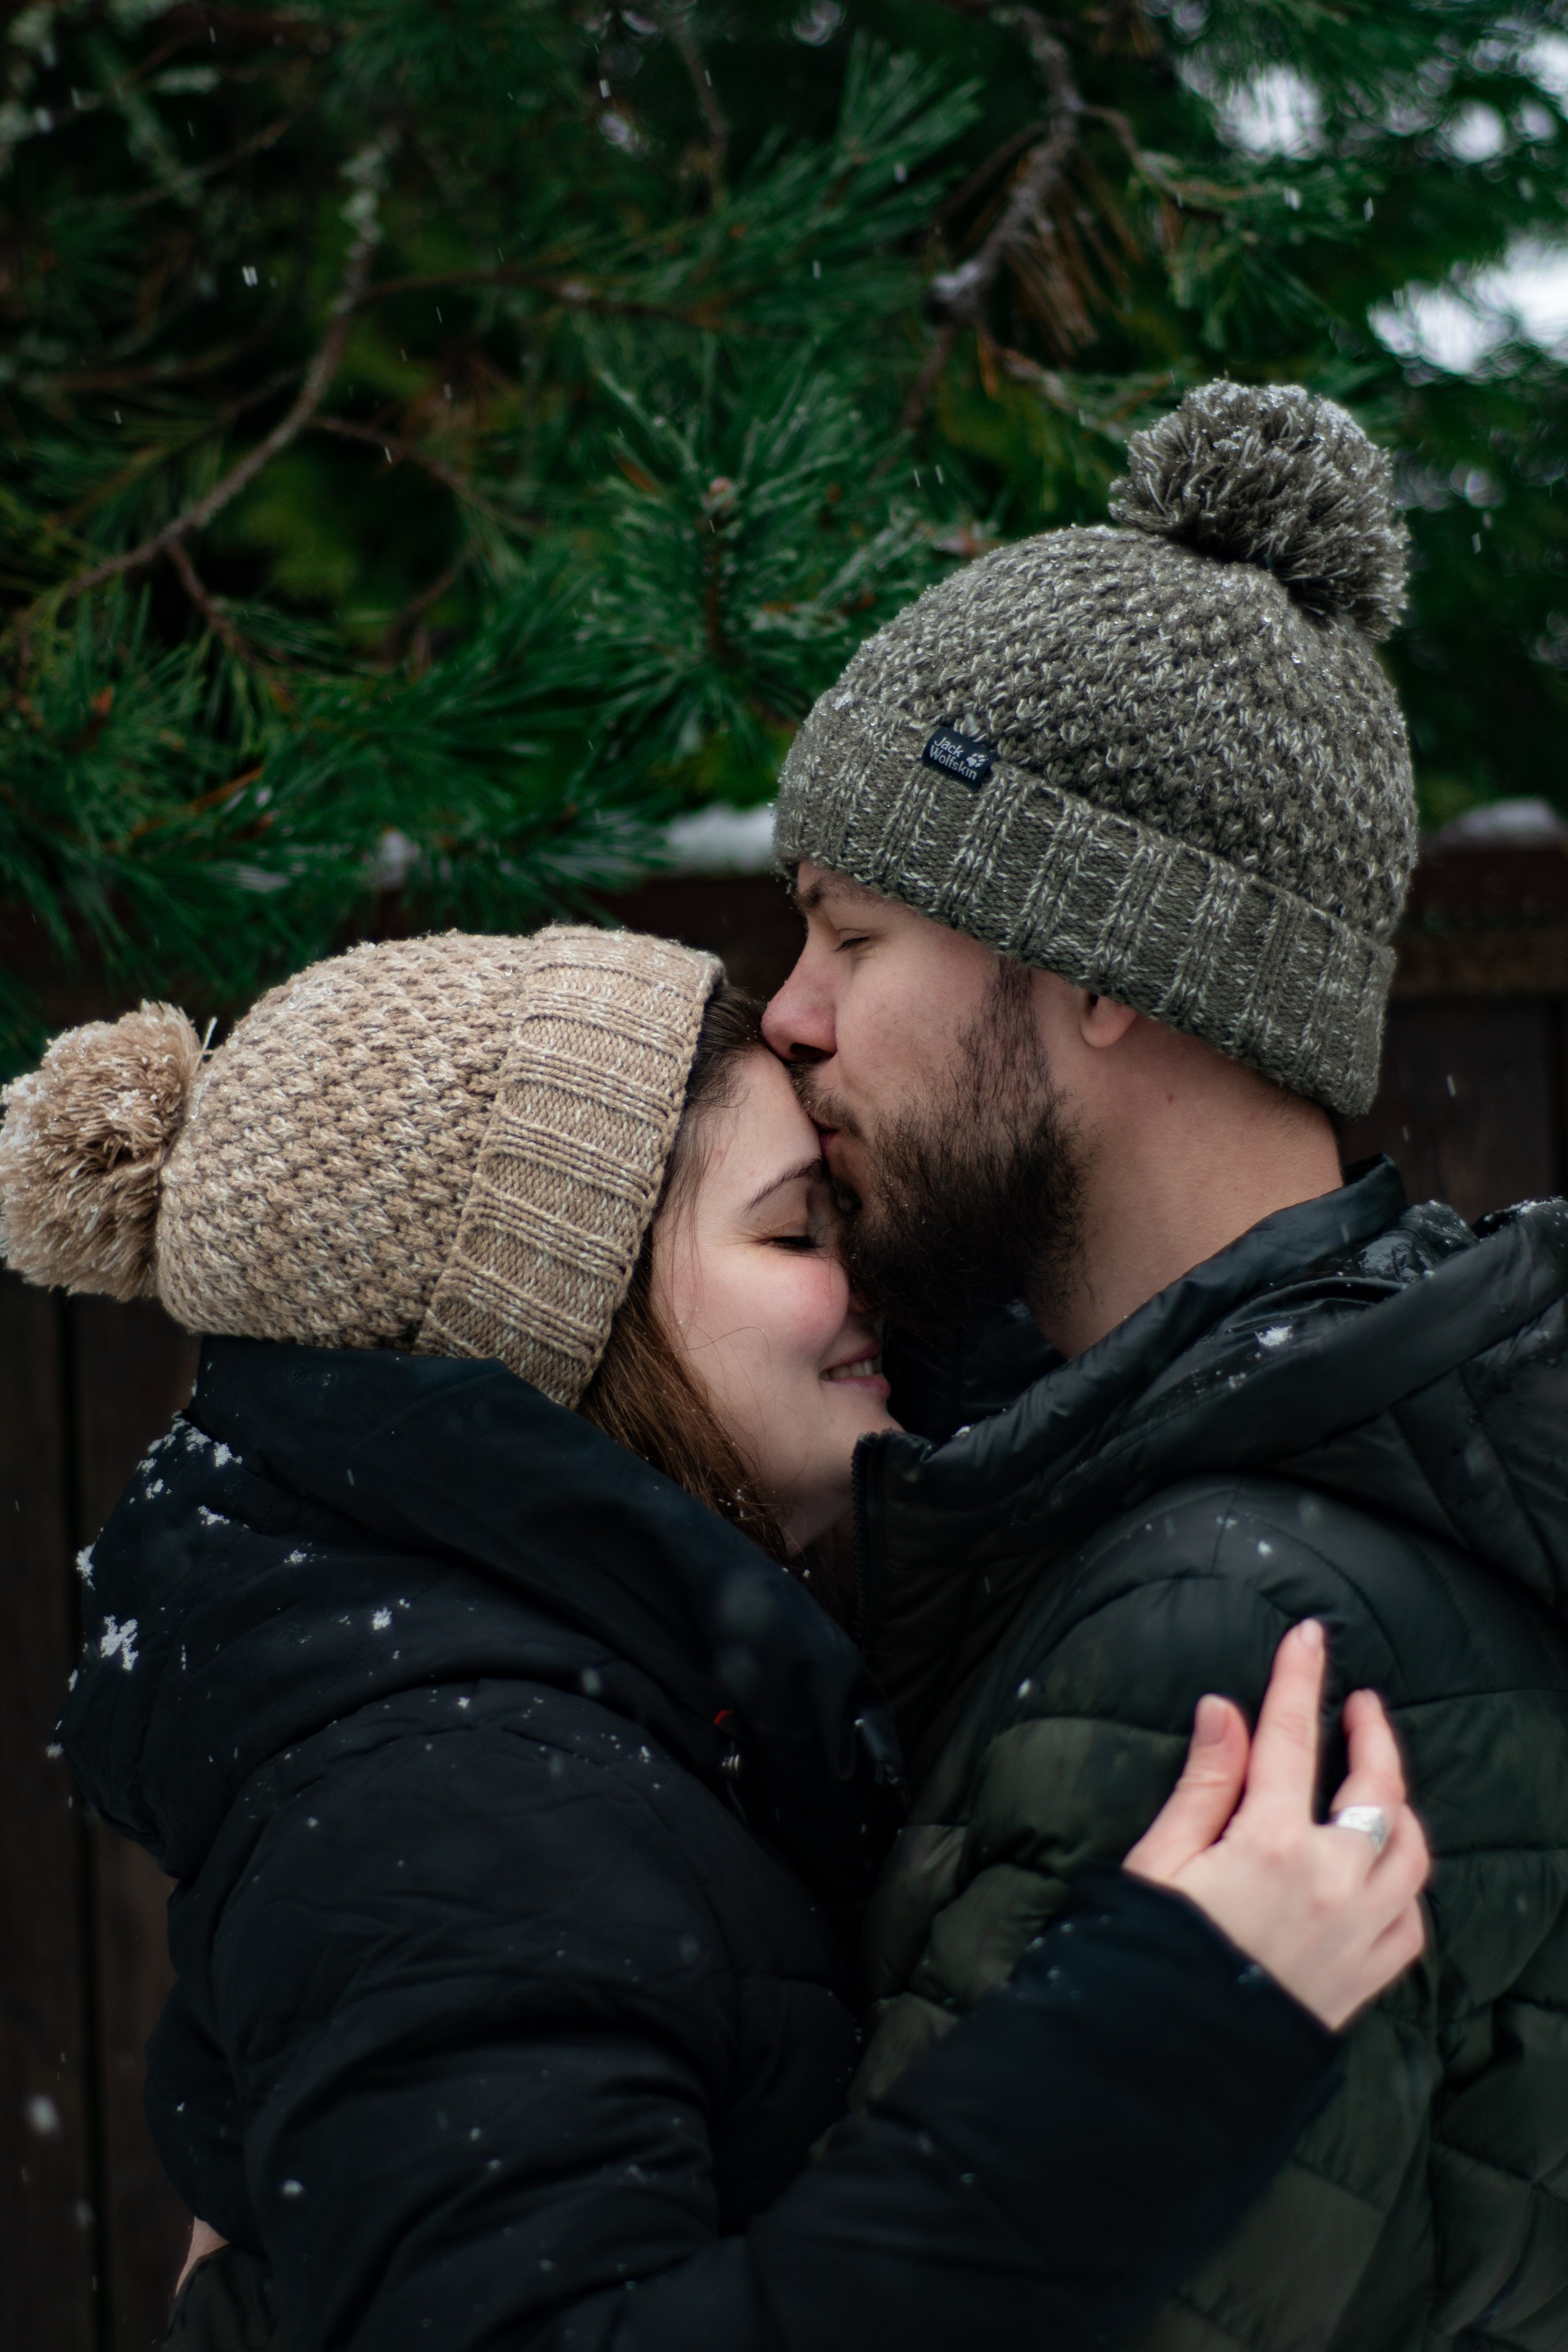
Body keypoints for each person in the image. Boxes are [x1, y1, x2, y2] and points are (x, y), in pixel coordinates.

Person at [0, 925, 1427, 2352]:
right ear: (566, 1324)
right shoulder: (455, 1811)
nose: (864, 1276)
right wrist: (1160, 2047)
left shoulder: (576, 1707)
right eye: (796, 1230)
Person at [761, 377, 1568, 2350]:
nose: (787, 1018)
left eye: (852, 936)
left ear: (1108, 964)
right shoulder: (1338, 1461)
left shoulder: (1224, 1629)